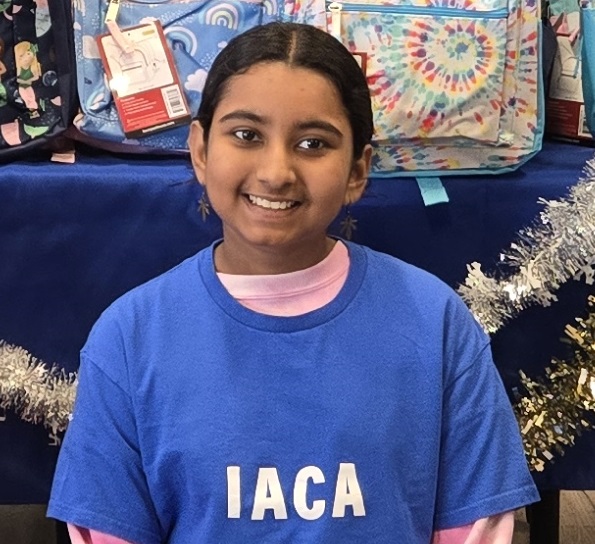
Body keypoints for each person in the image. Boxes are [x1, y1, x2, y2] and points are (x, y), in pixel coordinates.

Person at [47, 21, 539, 543]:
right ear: (201, 150)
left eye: (312, 143)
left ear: (357, 171)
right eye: (246, 135)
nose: (276, 171)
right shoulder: (129, 337)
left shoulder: (435, 323)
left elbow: (473, 527)